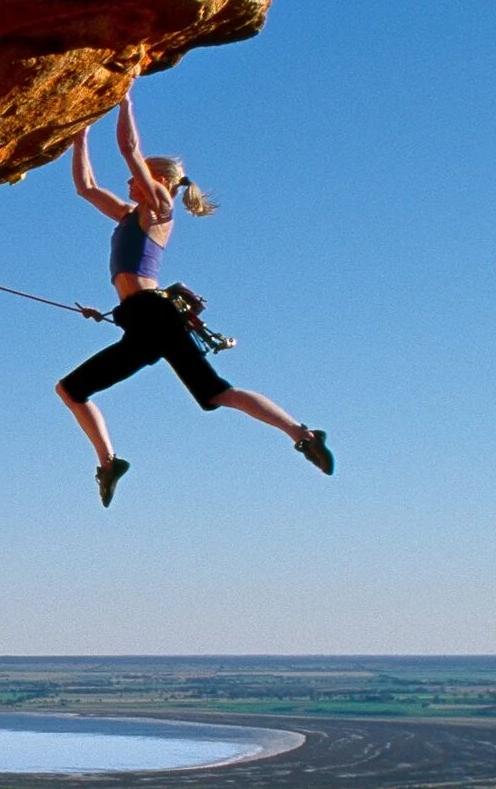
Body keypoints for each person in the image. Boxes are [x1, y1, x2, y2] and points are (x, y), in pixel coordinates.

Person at [56, 92, 332, 506]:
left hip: (154, 314)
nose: (131, 183)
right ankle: (109, 463)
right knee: (73, 389)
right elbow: (86, 187)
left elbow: (131, 150)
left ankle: (303, 434)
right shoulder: (129, 215)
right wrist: (80, 134)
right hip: (139, 319)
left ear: (161, 182)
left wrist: (123, 98)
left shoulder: (160, 208)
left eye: (140, 178)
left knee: (216, 392)